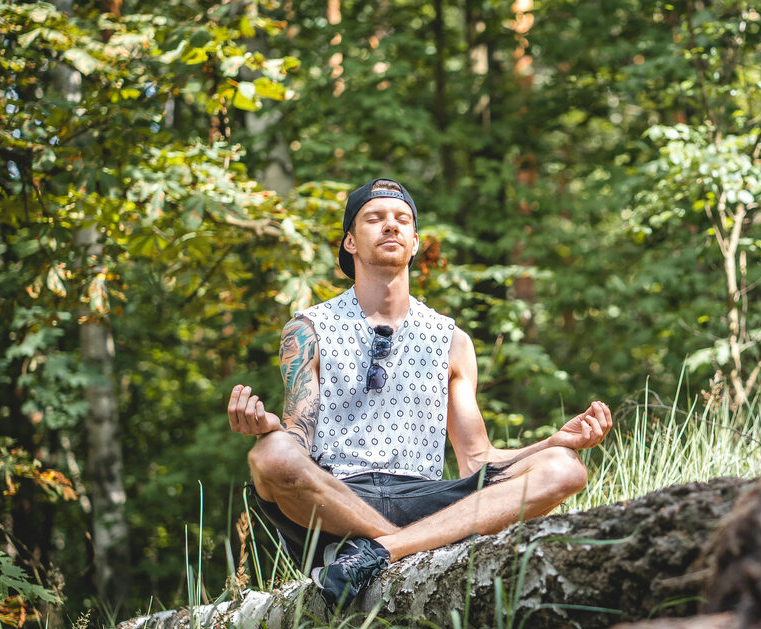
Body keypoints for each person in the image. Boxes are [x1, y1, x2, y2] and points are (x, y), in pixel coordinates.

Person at [226, 177, 612, 607]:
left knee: (565, 468)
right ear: (350, 242)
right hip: (336, 498)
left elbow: (477, 459)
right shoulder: (308, 329)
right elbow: (298, 438)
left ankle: (375, 554)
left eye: (402, 219)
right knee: (270, 455)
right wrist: (272, 428)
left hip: (425, 496)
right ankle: (403, 546)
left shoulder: (452, 340)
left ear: (414, 243)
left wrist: (554, 441)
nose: (390, 225)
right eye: (375, 218)